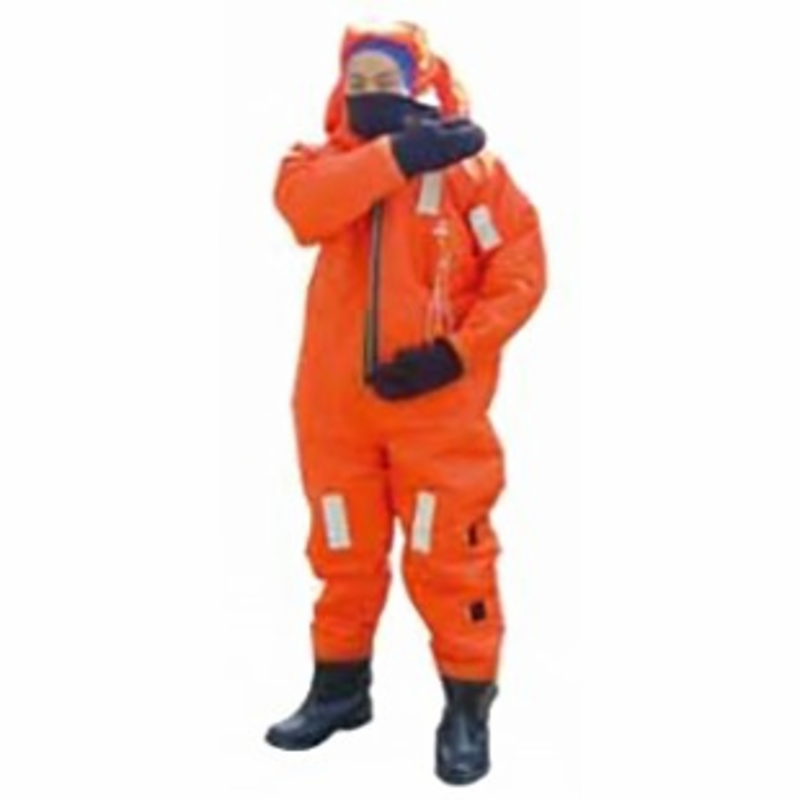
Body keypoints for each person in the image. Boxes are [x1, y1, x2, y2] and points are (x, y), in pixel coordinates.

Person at [265, 20, 547, 785]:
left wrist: (456, 353)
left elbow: (520, 273)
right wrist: (396, 155)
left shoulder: (472, 174)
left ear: (420, 85)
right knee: (342, 554)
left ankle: (467, 705)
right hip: (334, 416)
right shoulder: (317, 164)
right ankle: (339, 691)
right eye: (355, 82)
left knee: (449, 557)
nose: (368, 94)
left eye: (383, 80)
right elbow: (305, 211)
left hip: (436, 415)